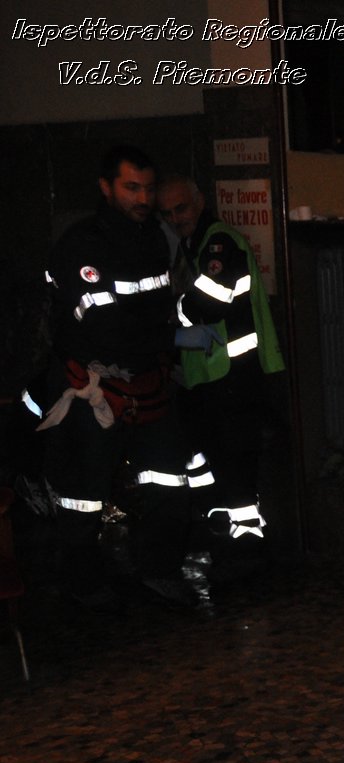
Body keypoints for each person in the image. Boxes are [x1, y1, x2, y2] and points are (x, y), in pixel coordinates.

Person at [37, 145, 196, 612]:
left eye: (148, 188)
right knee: (83, 496)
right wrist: (172, 340)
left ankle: (159, 571)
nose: (142, 197)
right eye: (131, 187)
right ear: (106, 188)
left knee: (169, 481)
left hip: (147, 385)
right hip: (93, 388)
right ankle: (83, 582)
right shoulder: (82, 245)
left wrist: (169, 343)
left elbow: (161, 303)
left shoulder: (155, 238)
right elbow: (105, 330)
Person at [156, 175, 285, 564]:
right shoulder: (190, 248)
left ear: (199, 201)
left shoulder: (219, 242)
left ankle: (248, 546)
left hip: (235, 378)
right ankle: (226, 532)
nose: (176, 217)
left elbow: (210, 302)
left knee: (236, 463)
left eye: (181, 208)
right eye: (168, 213)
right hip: (207, 379)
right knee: (211, 458)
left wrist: (169, 317)